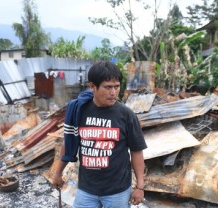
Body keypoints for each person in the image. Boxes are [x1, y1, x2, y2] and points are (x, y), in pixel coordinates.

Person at [52, 60, 147, 208]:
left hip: (117, 191)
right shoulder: (79, 111)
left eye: (116, 87)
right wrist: (58, 173)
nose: (114, 92)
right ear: (92, 87)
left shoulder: (126, 115)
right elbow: (69, 143)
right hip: (86, 189)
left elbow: (136, 151)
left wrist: (140, 187)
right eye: (108, 87)